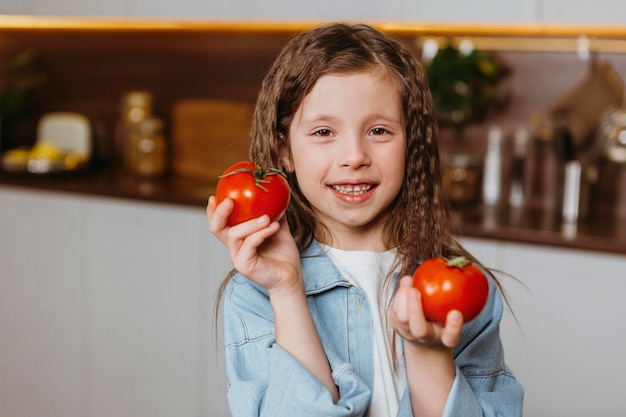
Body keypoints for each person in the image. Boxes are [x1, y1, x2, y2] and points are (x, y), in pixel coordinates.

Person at [207, 22, 523, 417]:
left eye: (378, 130)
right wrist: (287, 291)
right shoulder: (255, 293)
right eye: (324, 131)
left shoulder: (466, 289)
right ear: (283, 150)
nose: (354, 155)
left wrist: (429, 353)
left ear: (412, 142)